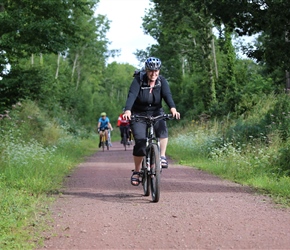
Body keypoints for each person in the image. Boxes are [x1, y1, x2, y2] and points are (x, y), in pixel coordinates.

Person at [122, 57, 180, 186]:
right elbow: (131, 95)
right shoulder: (138, 80)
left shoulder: (162, 81)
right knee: (141, 143)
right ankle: (137, 171)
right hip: (138, 114)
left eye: (156, 71)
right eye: (151, 71)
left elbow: (167, 95)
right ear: (146, 70)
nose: (153, 74)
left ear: (159, 71)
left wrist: (173, 109)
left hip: (156, 112)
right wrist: (127, 111)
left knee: (162, 130)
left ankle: (162, 156)